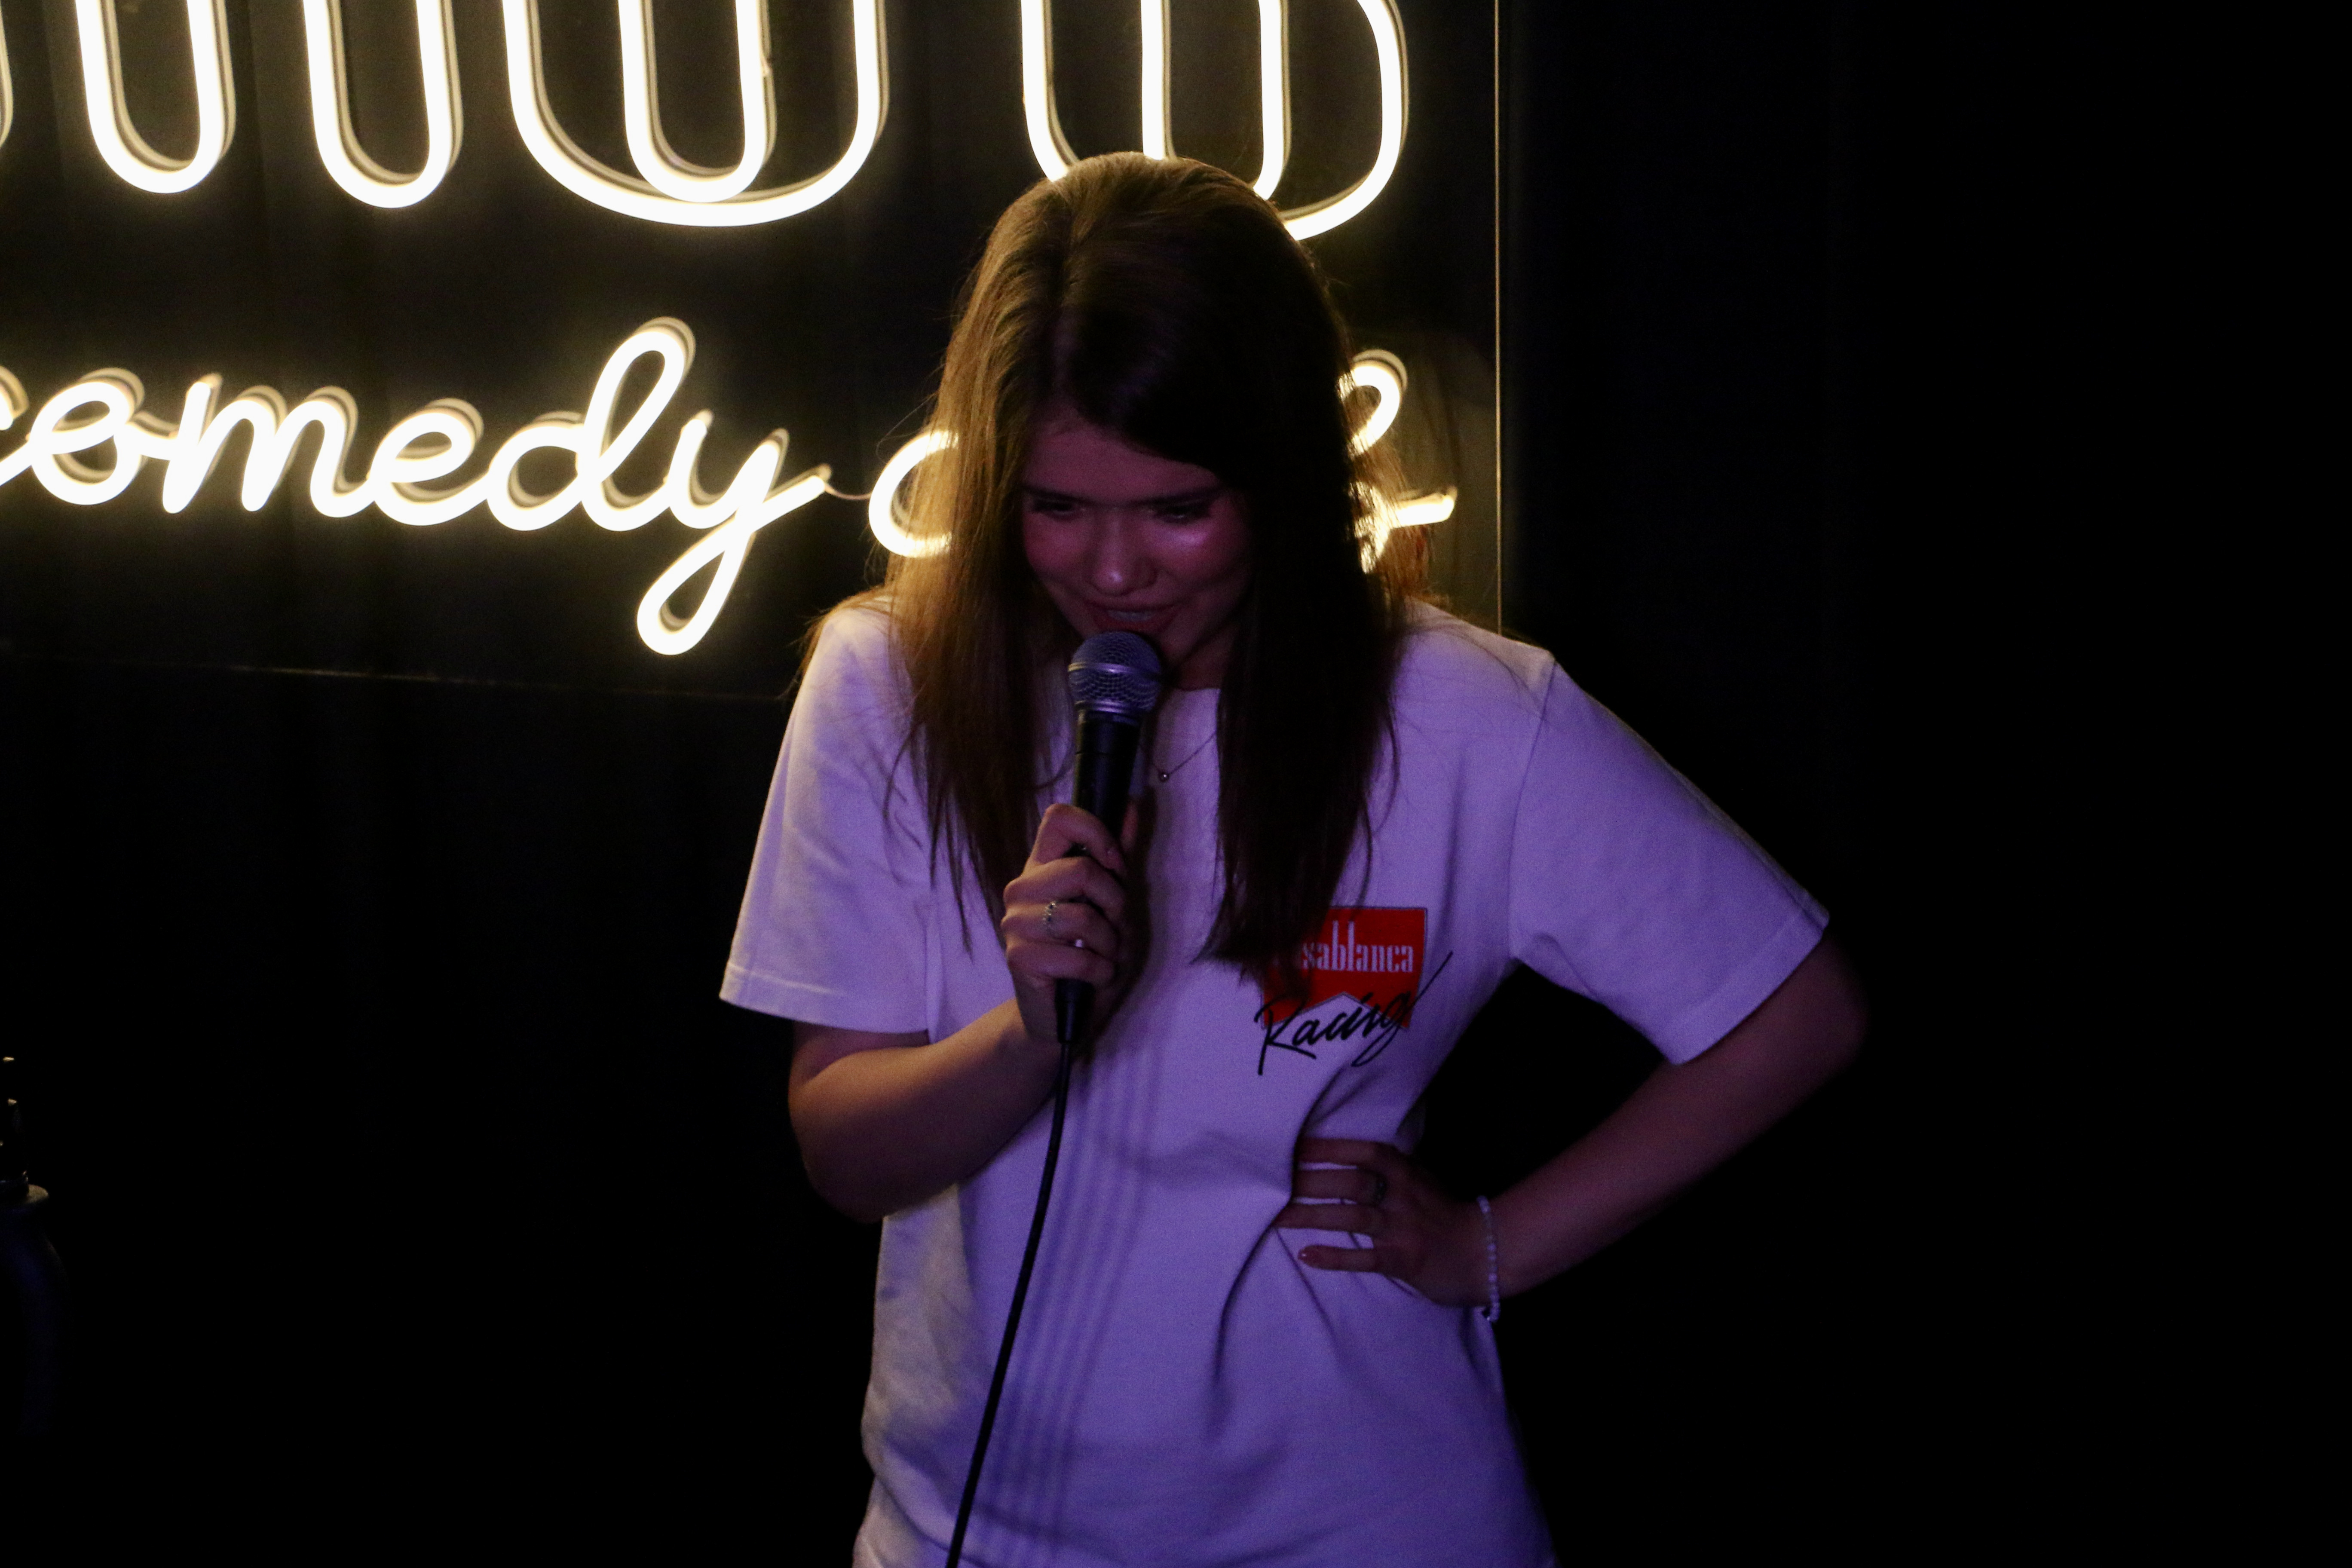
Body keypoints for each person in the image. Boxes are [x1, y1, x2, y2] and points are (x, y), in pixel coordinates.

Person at [723, 154, 1866, 1567]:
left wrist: (1494, 1246)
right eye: (1058, 506)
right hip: (977, 1529)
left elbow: (1796, 1011)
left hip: (1370, 1525)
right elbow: (846, 1155)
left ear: (1285, 473)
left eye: (1179, 508)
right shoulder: (885, 682)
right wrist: (1031, 1033)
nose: (1115, 572)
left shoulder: (1466, 716)